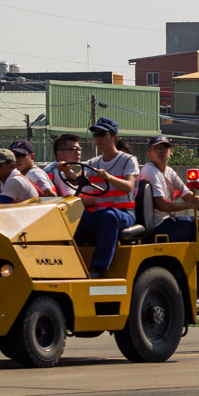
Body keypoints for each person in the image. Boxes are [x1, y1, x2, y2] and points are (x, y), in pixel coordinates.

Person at [140, 135, 199, 294]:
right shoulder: (150, 171)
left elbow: (189, 196)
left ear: (170, 151)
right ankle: (194, 292)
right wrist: (191, 206)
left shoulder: (168, 172)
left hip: (167, 222)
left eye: (164, 148)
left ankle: (193, 292)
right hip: (157, 227)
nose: (161, 151)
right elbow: (162, 205)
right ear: (149, 153)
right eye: (156, 148)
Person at [71, 117, 140, 278]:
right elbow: (75, 178)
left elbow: (128, 186)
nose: (97, 138)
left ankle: (98, 267)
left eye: (102, 134)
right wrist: (66, 170)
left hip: (124, 214)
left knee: (109, 216)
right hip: (99, 214)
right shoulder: (93, 162)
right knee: (70, 216)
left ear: (114, 137)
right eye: (95, 134)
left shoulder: (128, 160)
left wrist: (109, 177)